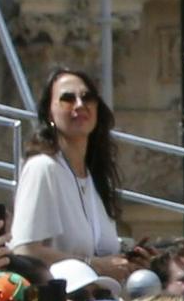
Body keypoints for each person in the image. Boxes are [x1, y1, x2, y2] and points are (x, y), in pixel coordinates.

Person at [10, 66, 127, 277]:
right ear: (49, 113)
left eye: (87, 97)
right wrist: (94, 265)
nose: (80, 105)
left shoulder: (96, 177)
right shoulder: (42, 168)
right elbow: (25, 250)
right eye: (67, 99)